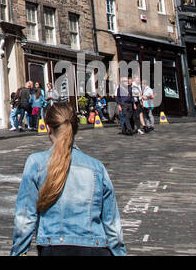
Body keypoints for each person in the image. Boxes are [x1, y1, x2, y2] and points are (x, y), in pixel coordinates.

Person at [11, 103, 126, 256]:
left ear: (48, 128)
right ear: (75, 128)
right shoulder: (97, 167)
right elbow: (112, 224)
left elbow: (24, 220)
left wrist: (18, 253)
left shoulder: (36, 163)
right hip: (95, 248)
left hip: (54, 249)